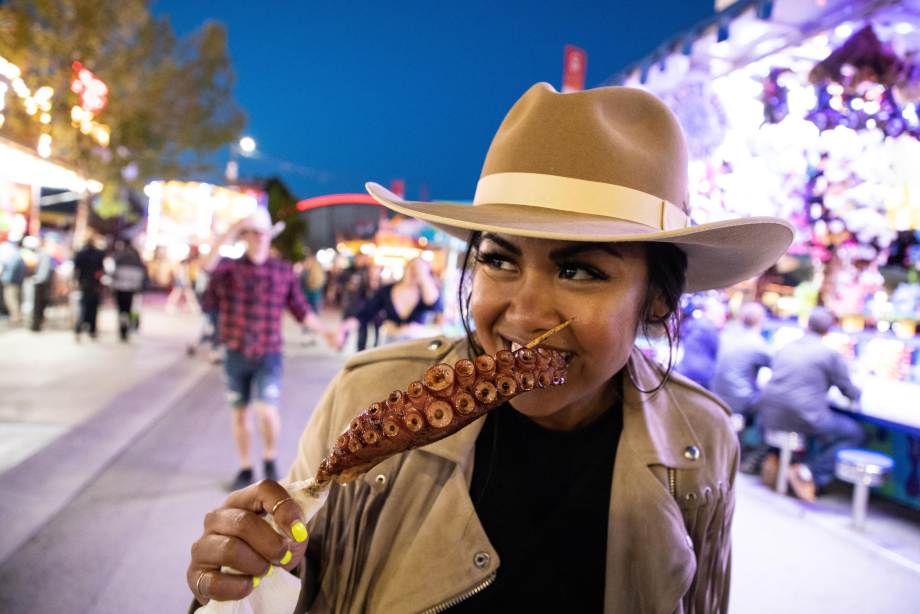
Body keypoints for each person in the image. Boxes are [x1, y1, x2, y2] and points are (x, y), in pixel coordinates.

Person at [187, 84, 793, 613]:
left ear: (658, 298)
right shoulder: (367, 394)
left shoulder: (702, 443)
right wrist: (249, 570)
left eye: (580, 270)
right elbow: (292, 575)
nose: (523, 315)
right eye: (498, 259)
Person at [200, 209, 337, 492]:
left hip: (269, 353)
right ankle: (246, 466)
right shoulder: (229, 267)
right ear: (246, 236)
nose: (258, 238)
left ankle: (270, 457)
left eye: (263, 233)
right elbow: (206, 266)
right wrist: (232, 229)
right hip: (236, 351)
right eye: (252, 232)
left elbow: (301, 309)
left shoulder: (282, 270)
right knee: (240, 414)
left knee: (267, 412)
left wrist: (326, 332)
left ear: (268, 236)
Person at [758, 307, 863, 501]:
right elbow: (849, 392)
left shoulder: (786, 346)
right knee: (853, 433)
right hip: (804, 417)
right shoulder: (830, 354)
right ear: (829, 330)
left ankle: (778, 461)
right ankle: (808, 473)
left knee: (803, 420)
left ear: (807, 325)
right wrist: (860, 390)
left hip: (768, 415)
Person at [336, 256, 441, 349]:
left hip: (415, 347)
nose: (415, 272)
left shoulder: (425, 295)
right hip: (389, 344)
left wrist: (423, 275)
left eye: (419, 270)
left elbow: (436, 305)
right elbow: (365, 313)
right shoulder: (387, 291)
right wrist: (343, 327)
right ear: (406, 268)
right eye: (412, 267)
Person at [712, 302, 772, 420]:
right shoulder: (756, 342)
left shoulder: (726, 335)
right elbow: (777, 363)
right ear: (761, 320)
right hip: (742, 402)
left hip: (717, 396)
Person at [675, 300, 725, 390]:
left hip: (686, 368)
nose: (723, 319)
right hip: (701, 373)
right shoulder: (709, 327)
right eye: (721, 315)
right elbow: (719, 348)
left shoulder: (693, 322)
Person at [111, 240, 147, 341]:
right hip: (131, 288)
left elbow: (113, 273)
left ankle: (123, 329)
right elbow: (142, 273)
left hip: (120, 288)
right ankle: (127, 328)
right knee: (128, 309)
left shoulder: (119, 256)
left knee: (122, 310)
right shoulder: (136, 257)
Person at [73, 234, 107, 340]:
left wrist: (76, 282)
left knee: (84, 306)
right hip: (95, 283)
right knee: (93, 307)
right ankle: (92, 330)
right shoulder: (99, 254)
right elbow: (101, 270)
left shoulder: (80, 253)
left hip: (84, 282)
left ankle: (79, 329)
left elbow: (76, 270)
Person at [30, 235, 57, 332]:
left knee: (39, 305)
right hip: (39, 282)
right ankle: (36, 324)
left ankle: (37, 324)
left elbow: (43, 272)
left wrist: (37, 279)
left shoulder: (44, 255)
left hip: (40, 283)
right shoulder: (40, 254)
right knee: (37, 305)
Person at [1, 237, 26, 326]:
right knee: (15, 299)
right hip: (15, 281)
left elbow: (12, 270)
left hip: (12, 282)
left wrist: (8, 280)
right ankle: (16, 317)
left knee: (11, 299)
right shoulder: (17, 253)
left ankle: (15, 318)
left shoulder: (13, 255)